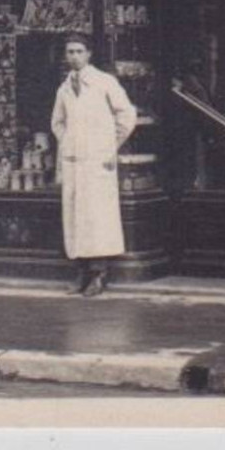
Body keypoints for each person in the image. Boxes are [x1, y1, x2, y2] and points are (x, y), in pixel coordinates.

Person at [50, 33, 138, 297]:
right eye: (70, 52)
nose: (74, 56)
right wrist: (68, 142)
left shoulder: (104, 82)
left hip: (98, 161)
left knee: (96, 218)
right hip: (74, 160)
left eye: (79, 51)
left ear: (89, 54)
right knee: (76, 217)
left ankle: (99, 274)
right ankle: (81, 272)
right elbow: (57, 121)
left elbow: (127, 114)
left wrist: (109, 145)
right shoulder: (64, 88)